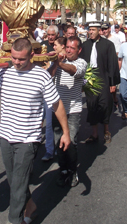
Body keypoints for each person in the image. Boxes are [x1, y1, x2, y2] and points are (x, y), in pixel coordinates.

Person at [0, 37, 71, 224]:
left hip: (28, 138)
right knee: (14, 180)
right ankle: (31, 206)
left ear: (31, 55)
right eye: (14, 58)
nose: (16, 62)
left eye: (21, 59)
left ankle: (14, 220)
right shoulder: (3, 73)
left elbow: (57, 105)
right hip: (5, 136)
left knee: (18, 184)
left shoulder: (41, 76)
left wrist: (65, 132)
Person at [47, 36, 87, 187]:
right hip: (58, 109)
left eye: (72, 48)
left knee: (71, 141)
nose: (69, 50)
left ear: (79, 50)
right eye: (67, 47)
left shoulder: (81, 63)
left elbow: (74, 71)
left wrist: (60, 63)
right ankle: (63, 169)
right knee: (59, 142)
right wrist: (55, 63)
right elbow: (49, 76)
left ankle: (72, 170)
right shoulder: (58, 62)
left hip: (74, 110)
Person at [79, 22, 120, 144]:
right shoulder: (85, 45)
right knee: (92, 105)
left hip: (104, 78)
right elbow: (81, 63)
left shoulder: (108, 45)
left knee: (105, 104)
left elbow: (112, 64)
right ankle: (94, 133)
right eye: (89, 30)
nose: (90, 32)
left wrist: (113, 83)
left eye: (93, 30)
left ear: (99, 31)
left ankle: (106, 130)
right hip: (90, 80)